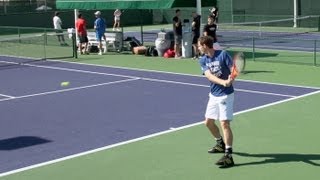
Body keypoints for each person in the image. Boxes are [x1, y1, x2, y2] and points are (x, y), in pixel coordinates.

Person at [197, 35, 235, 168]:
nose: (198, 48)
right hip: (213, 95)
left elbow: (233, 69)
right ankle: (220, 143)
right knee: (208, 122)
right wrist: (224, 82)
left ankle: (229, 155)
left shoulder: (223, 54)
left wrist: (231, 77)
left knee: (224, 123)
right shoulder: (203, 60)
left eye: (199, 45)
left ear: (205, 46)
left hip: (226, 95)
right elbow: (209, 76)